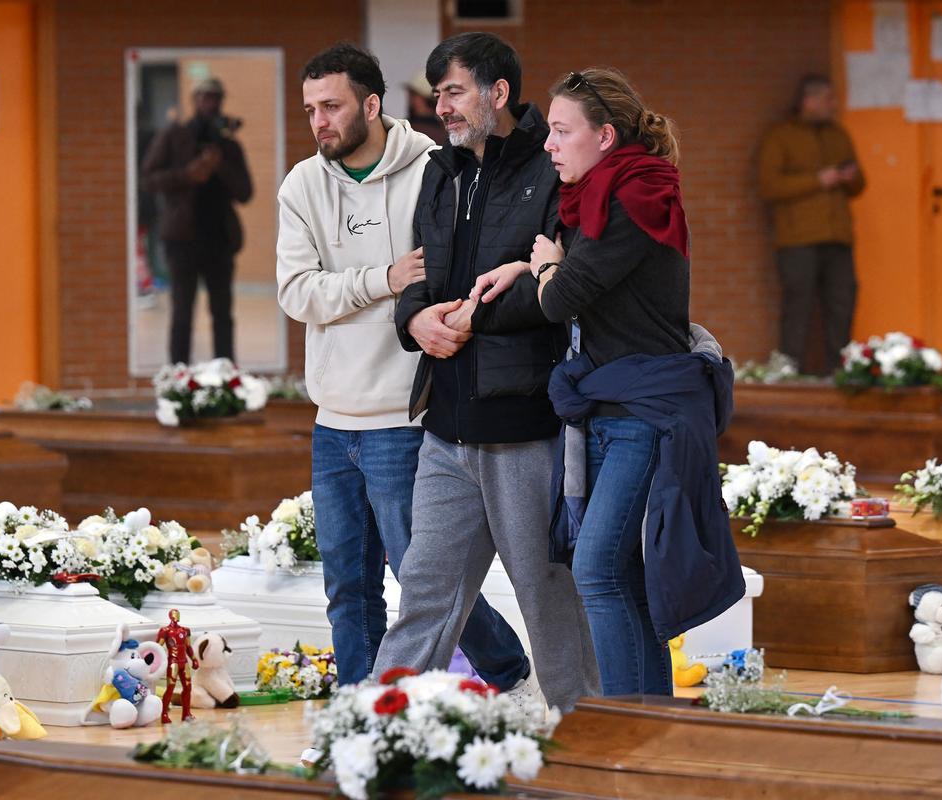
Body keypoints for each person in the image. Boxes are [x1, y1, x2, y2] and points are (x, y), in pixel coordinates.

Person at [472, 67, 745, 696]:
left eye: (562, 131)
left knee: (597, 569)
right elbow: (571, 276)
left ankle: (623, 735)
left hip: (642, 411)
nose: (548, 143)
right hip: (611, 404)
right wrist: (532, 264)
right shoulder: (605, 193)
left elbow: (562, 295)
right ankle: (649, 733)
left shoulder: (633, 198)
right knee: (617, 572)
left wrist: (543, 268)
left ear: (606, 136)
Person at [275, 42, 529, 692]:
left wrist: (402, 295)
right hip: (333, 418)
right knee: (347, 585)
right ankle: (362, 711)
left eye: (330, 107)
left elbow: (440, 280)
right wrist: (380, 280)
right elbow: (297, 293)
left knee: (422, 580)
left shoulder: (431, 170)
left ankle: (503, 666)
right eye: (309, 110)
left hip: (404, 414)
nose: (319, 122)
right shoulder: (302, 185)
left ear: (370, 103)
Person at [370, 32, 600, 712]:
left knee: (547, 596)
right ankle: (379, 730)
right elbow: (420, 273)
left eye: (454, 91)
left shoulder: (550, 169)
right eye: (436, 92)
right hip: (446, 428)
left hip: (525, 427)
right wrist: (414, 320)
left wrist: (475, 317)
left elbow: (561, 286)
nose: (440, 105)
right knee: (423, 595)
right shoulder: (440, 173)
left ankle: (586, 732)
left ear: (497, 93)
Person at [758, 74, 865, 375]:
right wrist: (818, 180)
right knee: (798, 309)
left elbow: (860, 186)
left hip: (838, 237)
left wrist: (850, 176)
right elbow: (769, 186)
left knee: (842, 304)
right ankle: (789, 374)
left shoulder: (837, 135)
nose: (834, 105)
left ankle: (839, 373)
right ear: (809, 100)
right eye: (828, 99)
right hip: (798, 240)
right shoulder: (780, 136)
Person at [142, 77, 253, 364]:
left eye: (214, 97)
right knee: (182, 312)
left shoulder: (228, 146)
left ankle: (226, 376)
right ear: (194, 99)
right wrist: (188, 174)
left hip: (219, 239)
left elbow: (245, 192)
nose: (209, 103)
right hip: (182, 239)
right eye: (204, 97)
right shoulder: (174, 136)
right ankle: (179, 376)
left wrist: (219, 165)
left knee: (222, 314)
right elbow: (148, 179)